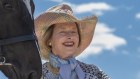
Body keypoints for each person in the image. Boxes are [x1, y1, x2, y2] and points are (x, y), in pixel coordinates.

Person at [35, 4, 110, 79]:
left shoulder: (95, 72)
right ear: (49, 40)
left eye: (73, 32)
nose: (69, 36)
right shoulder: (37, 75)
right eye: (63, 31)